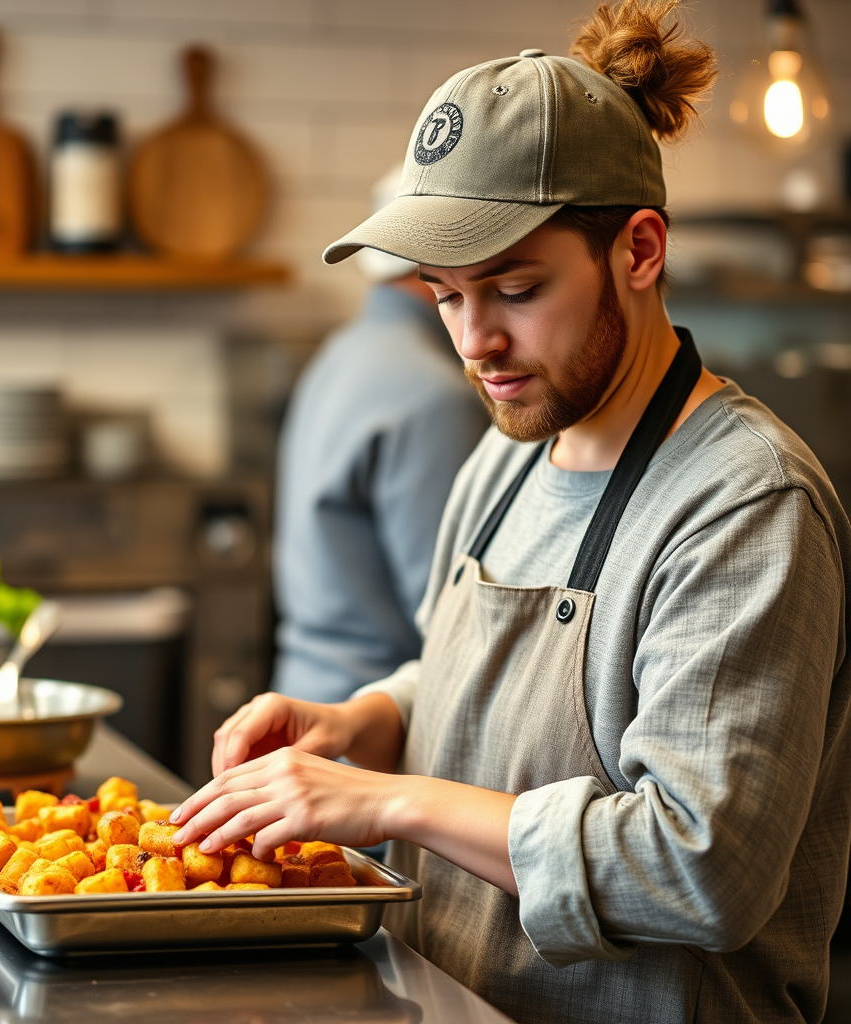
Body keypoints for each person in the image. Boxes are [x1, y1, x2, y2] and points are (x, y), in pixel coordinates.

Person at [170, 2, 851, 1021]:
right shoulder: (507, 456)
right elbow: (469, 679)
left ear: (640, 250)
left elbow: (701, 865)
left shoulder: (743, 505)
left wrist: (389, 799)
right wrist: (365, 721)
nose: (474, 340)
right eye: (445, 294)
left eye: (516, 288)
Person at [272, 167, 487, 703]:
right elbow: (452, 618)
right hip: (375, 720)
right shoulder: (435, 394)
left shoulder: (338, 354)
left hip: (306, 697)